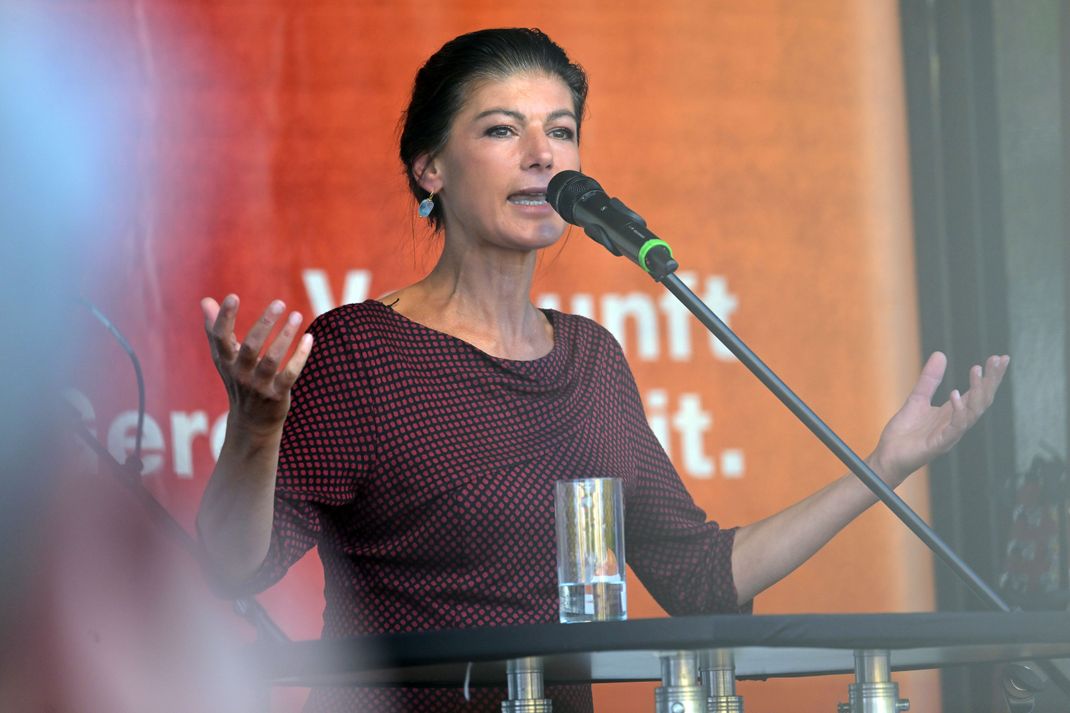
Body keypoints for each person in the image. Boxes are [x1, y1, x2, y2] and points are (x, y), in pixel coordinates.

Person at [196, 28, 1009, 713]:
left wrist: (884, 467)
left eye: (562, 129)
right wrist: (256, 429)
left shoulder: (590, 359)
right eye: (502, 130)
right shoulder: (361, 351)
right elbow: (237, 565)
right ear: (429, 168)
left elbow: (699, 579)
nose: (543, 155)